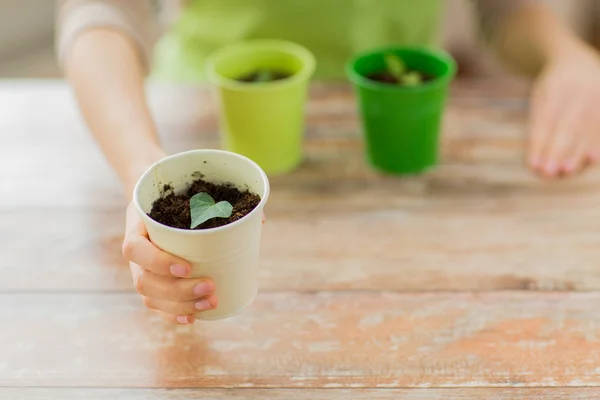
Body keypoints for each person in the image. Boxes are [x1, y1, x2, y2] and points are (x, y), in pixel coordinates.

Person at [56, 0, 600, 324]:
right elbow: (97, 14)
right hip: (200, 120)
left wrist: (569, 55)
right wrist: (142, 167)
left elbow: (504, 13)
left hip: (414, 160)